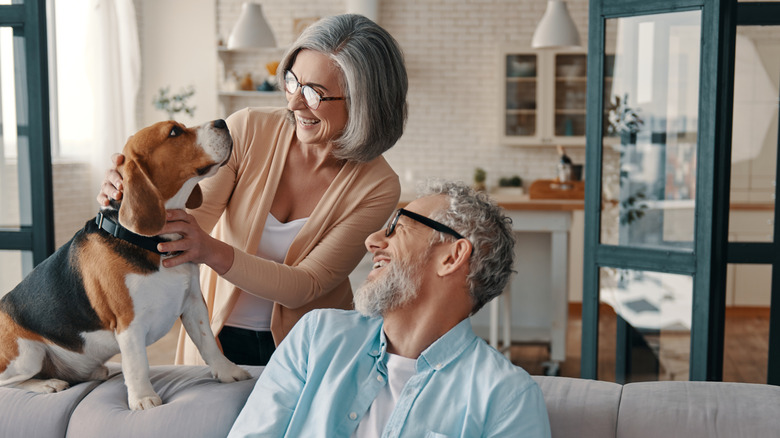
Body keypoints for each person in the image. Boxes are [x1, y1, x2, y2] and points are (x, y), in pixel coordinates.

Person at [97, 14, 408, 366]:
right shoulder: (247, 129)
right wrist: (133, 188)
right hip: (215, 336)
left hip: (310, 351)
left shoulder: (378, 186)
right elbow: (183, 222)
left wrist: (211, 250)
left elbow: (306, 285)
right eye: (293, 82)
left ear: (364, 102)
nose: (293, 104)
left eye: (314, 93)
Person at [227, 180, 552, 438]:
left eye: (398, 227)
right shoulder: (317, 337)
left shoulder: (507, 398)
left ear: (452, 257)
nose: (372, 240)